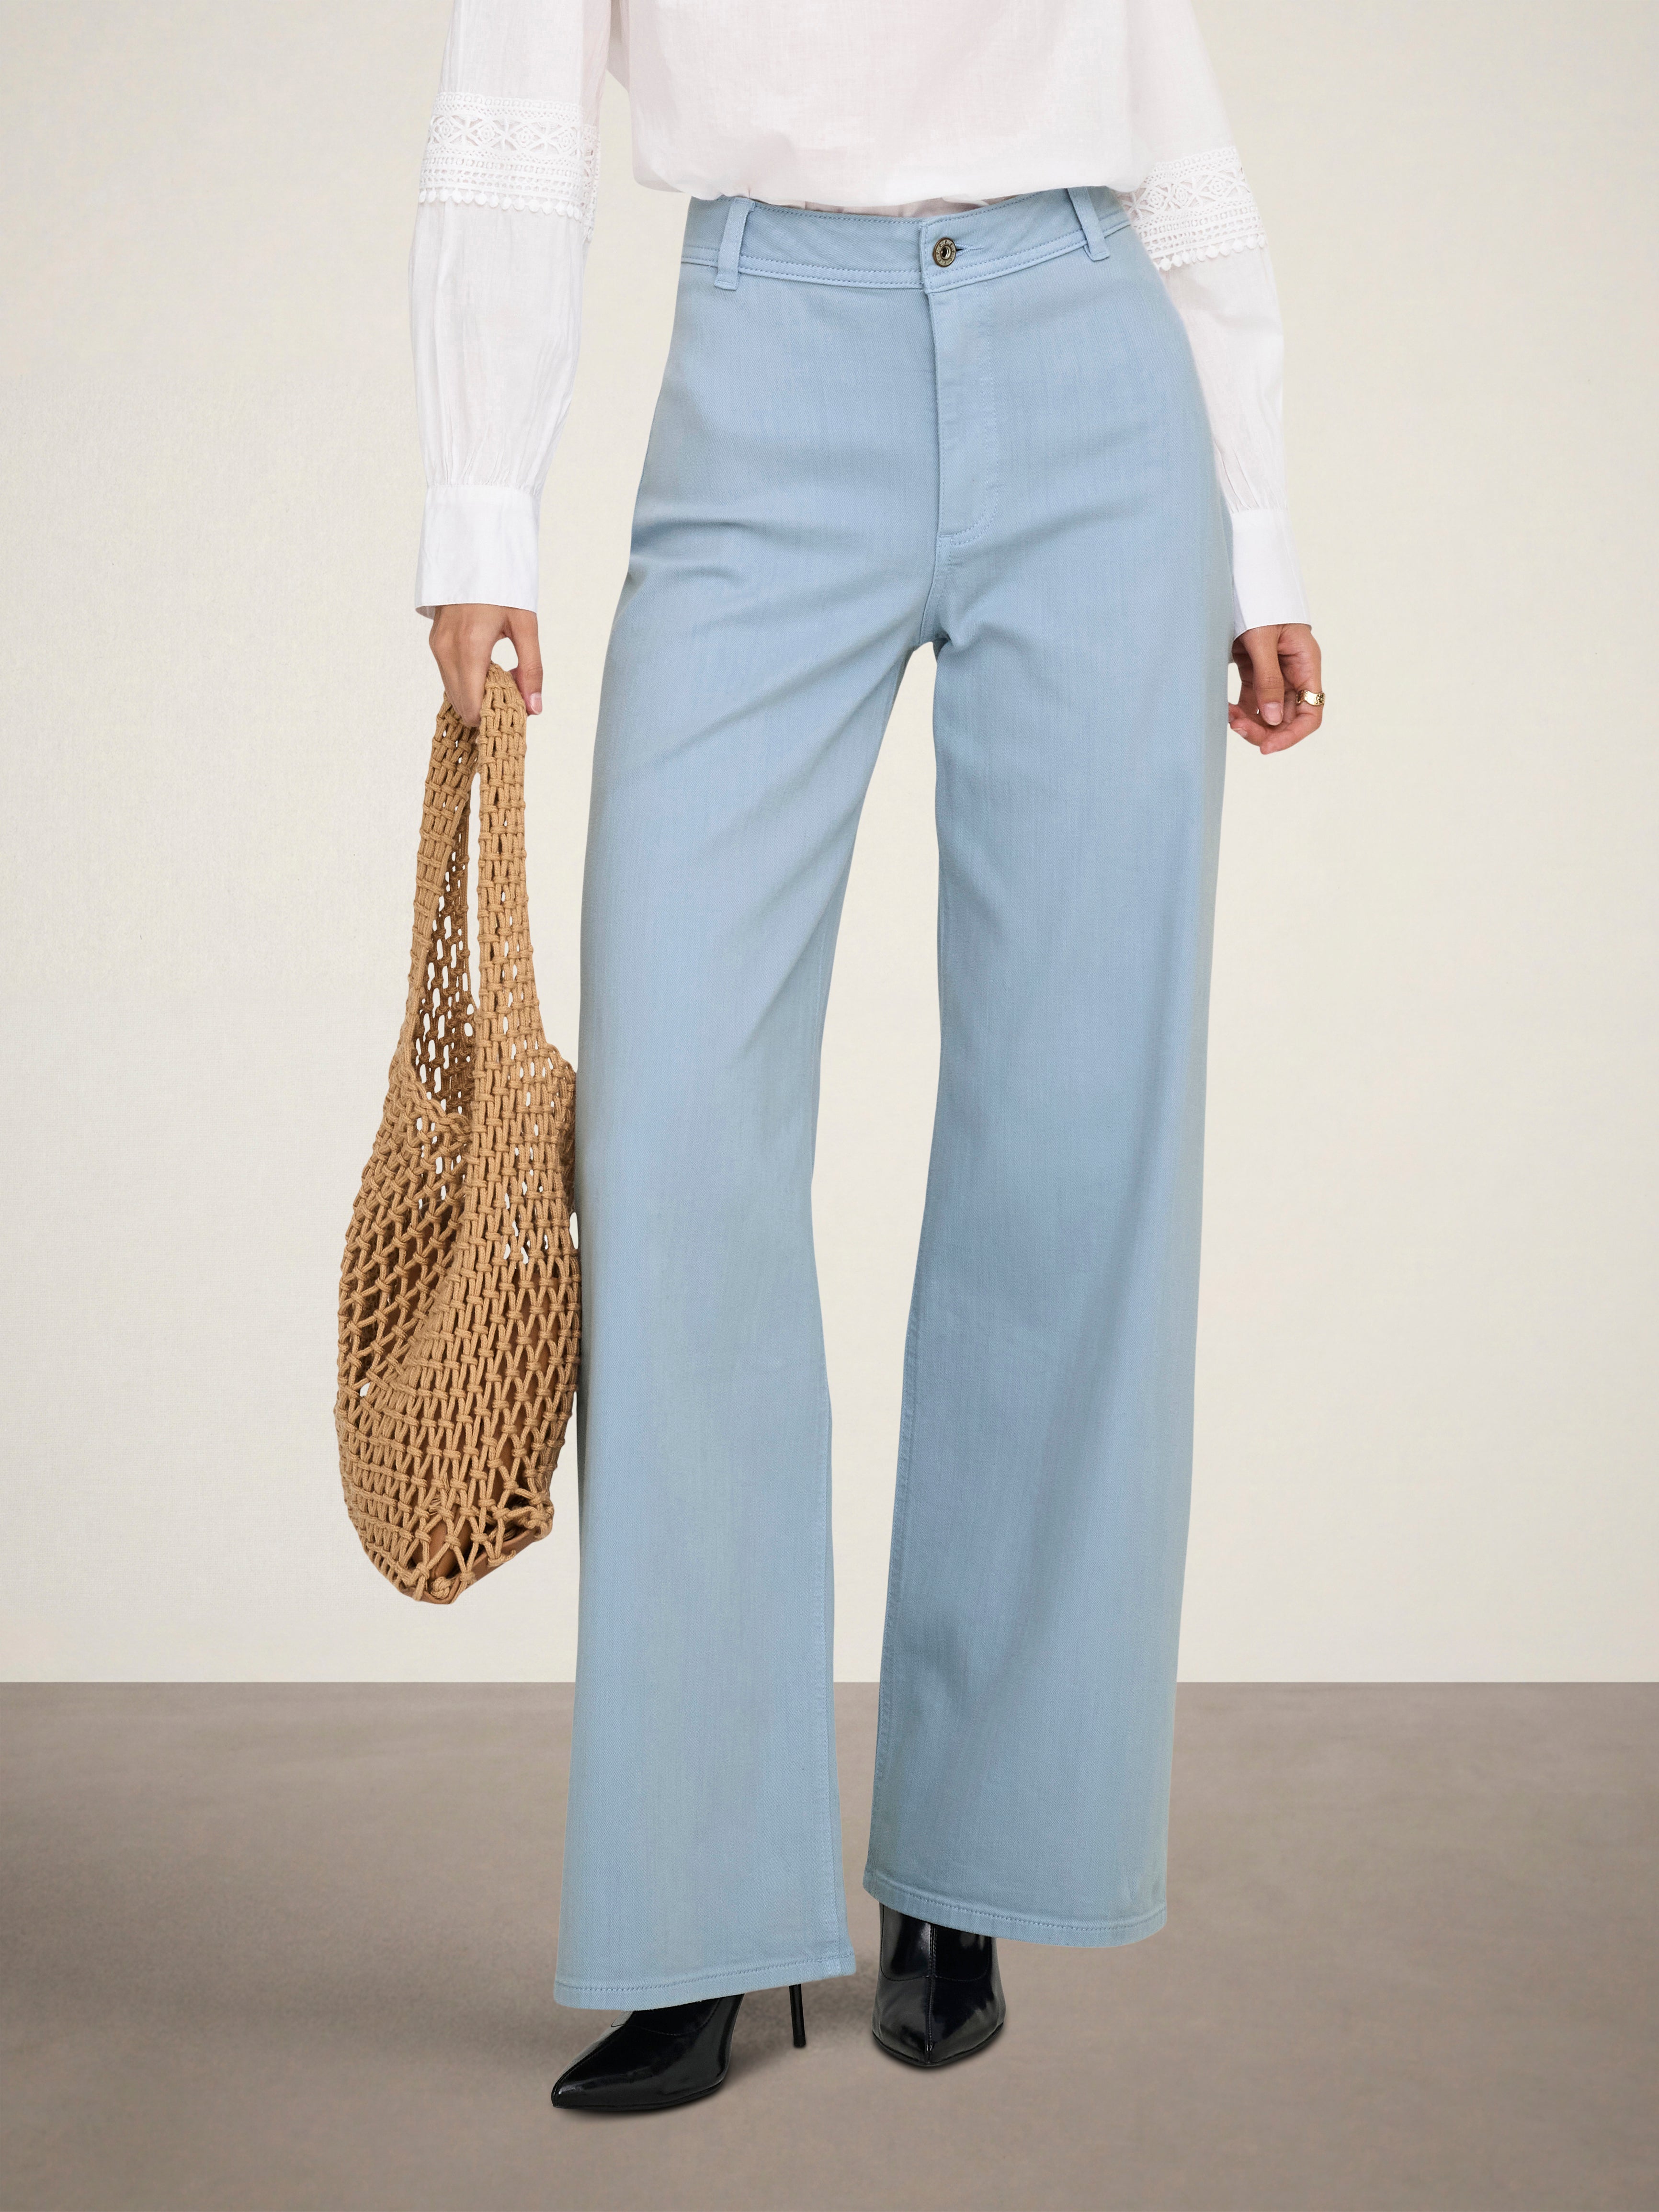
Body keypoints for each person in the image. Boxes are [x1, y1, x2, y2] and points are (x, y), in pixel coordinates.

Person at [411, 0, 1324, 2112]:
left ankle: (971, 1866)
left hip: (1096, 372)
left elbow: (1152, 76)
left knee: (1075, 1137)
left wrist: (1257, 518)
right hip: (765, 367)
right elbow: (512, 98)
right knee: (672, 1153)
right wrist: (476, 512)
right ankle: (696, 1907)